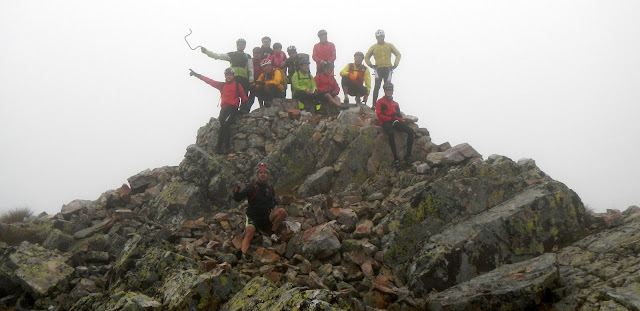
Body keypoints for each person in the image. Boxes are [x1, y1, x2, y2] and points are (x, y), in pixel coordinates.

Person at [232, 163, 287, 261]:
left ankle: (271, 232)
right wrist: (236, 192)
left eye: (265, 173)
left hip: (266, 216)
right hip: (253, 217)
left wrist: (276, 204)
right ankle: (242, 254)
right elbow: (238, 198)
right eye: (260, 173)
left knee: (282, 212)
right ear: (257, 175)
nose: (263, 174)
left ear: (267, 175)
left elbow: (273, 201)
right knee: (249, 233)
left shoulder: (270, 188)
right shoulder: (251, 187)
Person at [189, 68, 248, 154]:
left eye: (230, 75)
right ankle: (219, 149)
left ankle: (226, 147)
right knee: (221, 126)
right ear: (225, 76)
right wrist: (196, 75)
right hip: (224, 109)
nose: (229, 76)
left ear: (233, 76)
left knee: (226, 124)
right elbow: (209, 81)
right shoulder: (222, 85)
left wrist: (243, 110)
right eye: (227, 75)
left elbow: (244, 97)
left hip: (232, 109)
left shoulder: (237, 85)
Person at [375, 83, 414, 169]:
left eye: (390, 90)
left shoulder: (395, 104)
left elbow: (399, 116)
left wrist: (397, 120)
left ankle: (408, 156)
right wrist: (391, 119)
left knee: (411, 131)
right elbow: (379, 115)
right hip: (386, 122)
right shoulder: (380, 102)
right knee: (391, 133)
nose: (389, 92)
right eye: (387, 90)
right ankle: (396, 159)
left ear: (392, 91)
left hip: (395, 121)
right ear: (384, 91)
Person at [365, 29, 401, 107]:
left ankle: (388, 104)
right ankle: (374, 105)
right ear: (376, 37)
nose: (379, 38)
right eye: (378, 37)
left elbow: (398, 54)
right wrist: (371, 65)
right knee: (377, 87)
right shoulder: (374, 47)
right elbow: (366, 57)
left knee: (388, 87)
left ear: (383, 37)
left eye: (381, 36)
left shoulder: (389, 45)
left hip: (388, 69)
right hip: (378, 69)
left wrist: (395, 64)